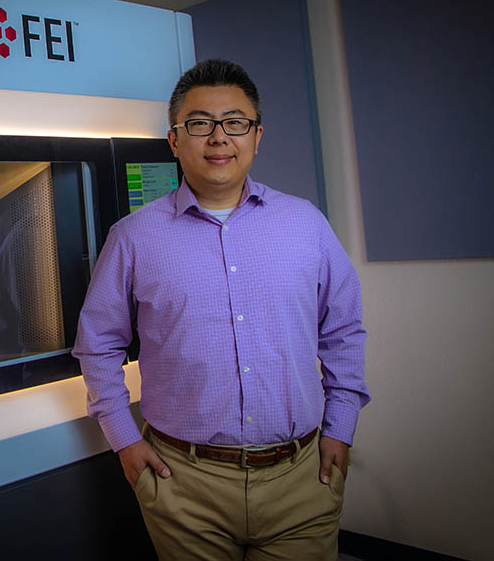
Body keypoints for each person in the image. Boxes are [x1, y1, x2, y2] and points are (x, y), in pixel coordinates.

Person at [72, 59, 370, 560]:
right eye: (199, 124)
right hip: (183, 485)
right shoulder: (133, 238)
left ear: (257, 136)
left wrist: (341, 427)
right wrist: (123, 439)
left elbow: (343, 330)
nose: (218, 138)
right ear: (174, 140)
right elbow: (97, 344)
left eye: (235, 122)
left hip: (299, 478)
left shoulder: (306, 225)